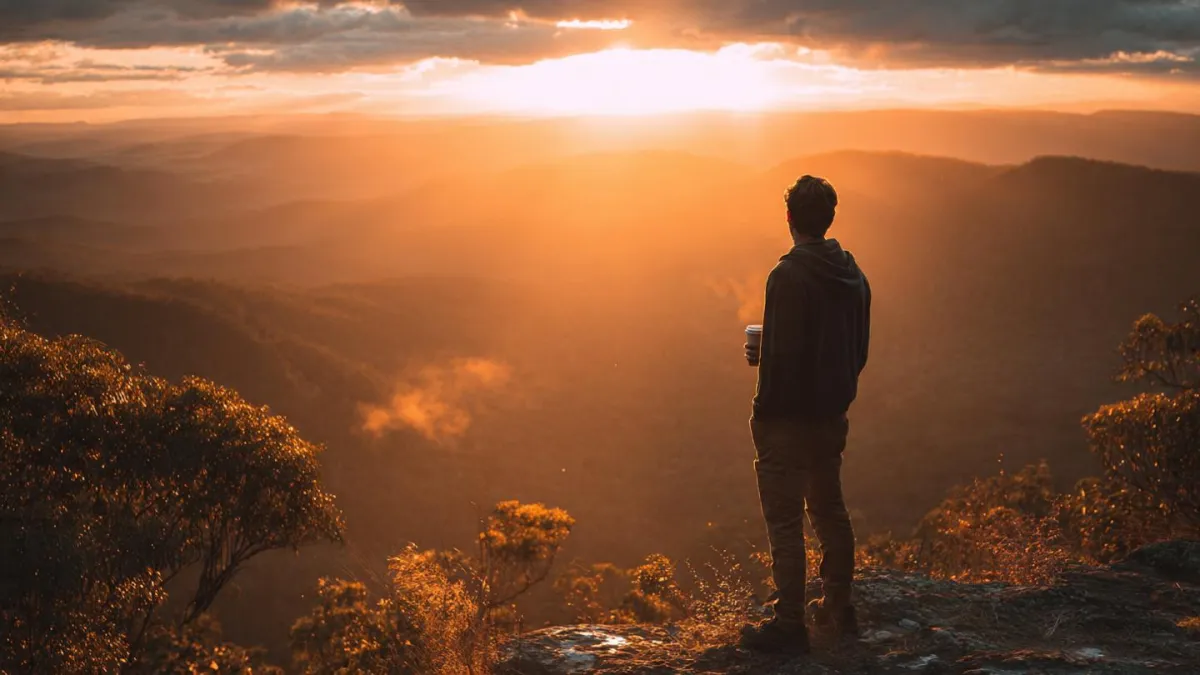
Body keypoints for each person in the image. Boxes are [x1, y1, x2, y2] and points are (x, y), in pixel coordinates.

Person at [739, 175, 871, 654]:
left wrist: (762, 413)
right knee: (830, 510)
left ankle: (789, 625)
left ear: (789, 217)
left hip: (787, 421)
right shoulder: (853, 274)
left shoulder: (787, 276)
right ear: (829, 217)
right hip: (832, 416)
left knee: (786, 521)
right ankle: (840, 609)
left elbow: (783, 363)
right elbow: (858, 350)